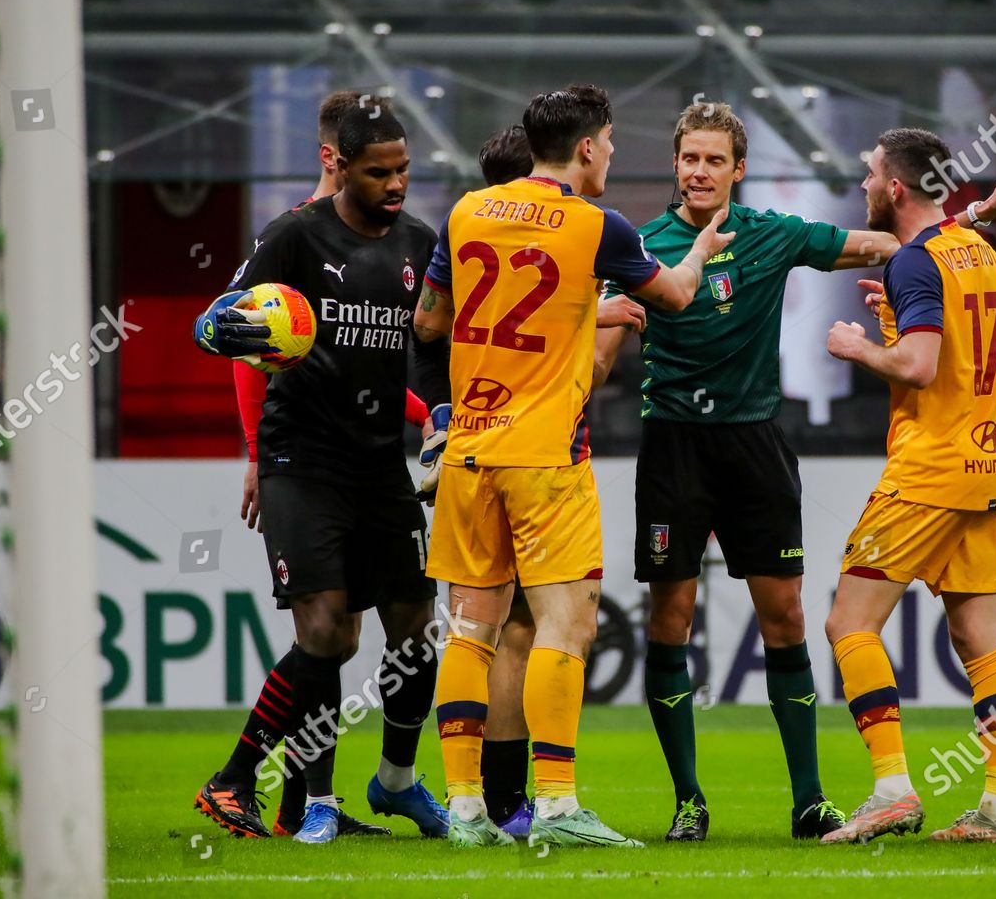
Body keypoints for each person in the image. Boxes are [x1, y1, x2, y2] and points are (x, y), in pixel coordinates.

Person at [594, 102, 996, 842]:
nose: (699, 171)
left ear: (738, 169)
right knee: (671, 623)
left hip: (759, 449)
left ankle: (814, 798)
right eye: (688, 159)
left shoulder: (773, 234)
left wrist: (953, 227)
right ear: (674, 165)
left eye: (714, 159)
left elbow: (883, 245)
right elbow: (927, 255)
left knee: (798, 619)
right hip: (674, 448)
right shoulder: (642, 249)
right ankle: (689, 802)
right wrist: (969, 224)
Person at [413, 84, 730, 848]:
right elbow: (679, 298)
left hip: (470, 449)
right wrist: (701, 249)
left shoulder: (465, 211)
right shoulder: (600, 228)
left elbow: (429, 320)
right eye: (612, 143)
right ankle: (555, 803)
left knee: (470, 628)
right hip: (546, 456)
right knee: (568, 621)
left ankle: (465, 809)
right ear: (587, 147)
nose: (613, 156)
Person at [191, 98, 448, 844]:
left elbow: (431, 344)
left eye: (403, 169)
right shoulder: (295, 236)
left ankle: (396, 781)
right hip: (300, 460)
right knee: (326, 633)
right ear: (342, 166)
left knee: (414, 628)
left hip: (379, 465)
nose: (395, 183)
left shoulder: (418, 244)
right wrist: (220, 329)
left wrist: (435, 412)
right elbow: (219, 319)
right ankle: (286, 794)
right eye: (380, 172)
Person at [819, 127, 996, 846]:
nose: (866, 184)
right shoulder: (982, 252)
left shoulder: (915, 261)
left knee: (850, 622)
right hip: (989, 464)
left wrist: (858, 346)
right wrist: (900, 319)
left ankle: (892, 791)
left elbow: (917, 368)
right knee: (981, 639)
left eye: (871, 174)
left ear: (896, 187)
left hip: (929, 470)